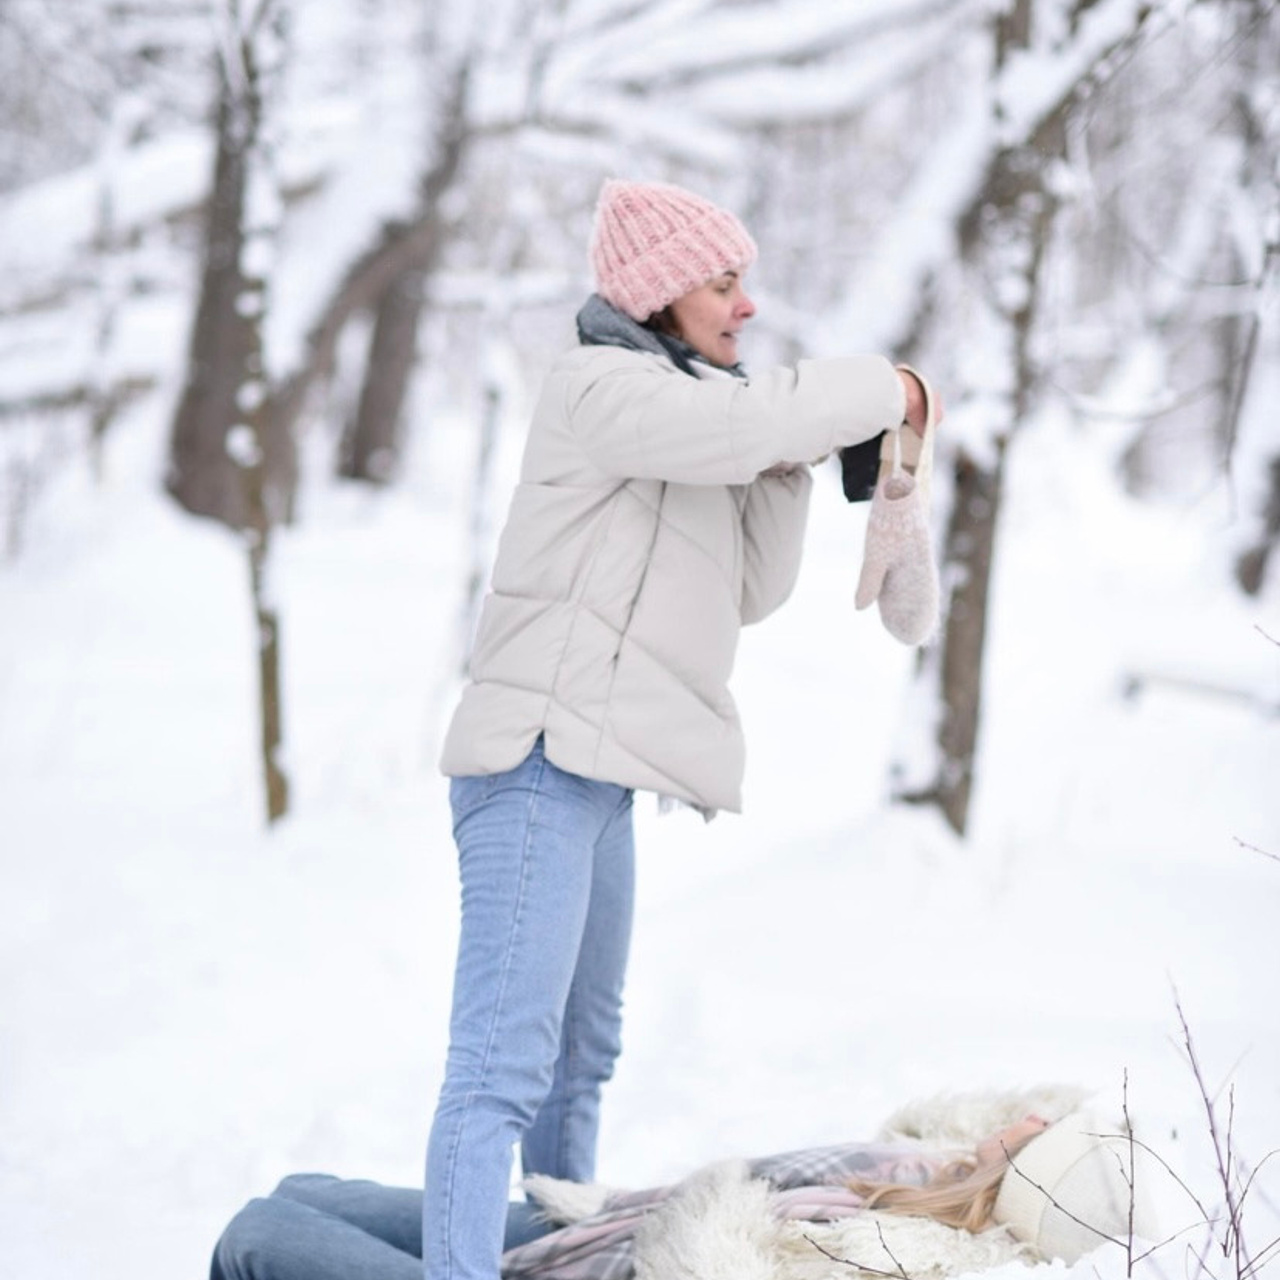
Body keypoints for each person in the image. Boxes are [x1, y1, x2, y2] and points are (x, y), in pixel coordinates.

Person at [423, 177, 942, 1280]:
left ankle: (556, 1259)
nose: (744, 303)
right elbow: (733, 425)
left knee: (580, 1058)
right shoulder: (598, 390)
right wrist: (880, 387)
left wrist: (795, 459)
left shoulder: (690, 412)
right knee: (499, 1067)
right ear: (658, 292)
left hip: (597, 780)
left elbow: (748, 585)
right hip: (532, 764)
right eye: (721, 281)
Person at [209, 1111, 1160, 1278]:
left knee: (259, 1236)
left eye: (1035, 1138)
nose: (1021, 1120)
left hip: (588, 1272)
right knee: (304, 1190)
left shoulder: (895, 1251)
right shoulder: (927, 1166)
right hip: (584, 1228)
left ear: (1019, 1178)